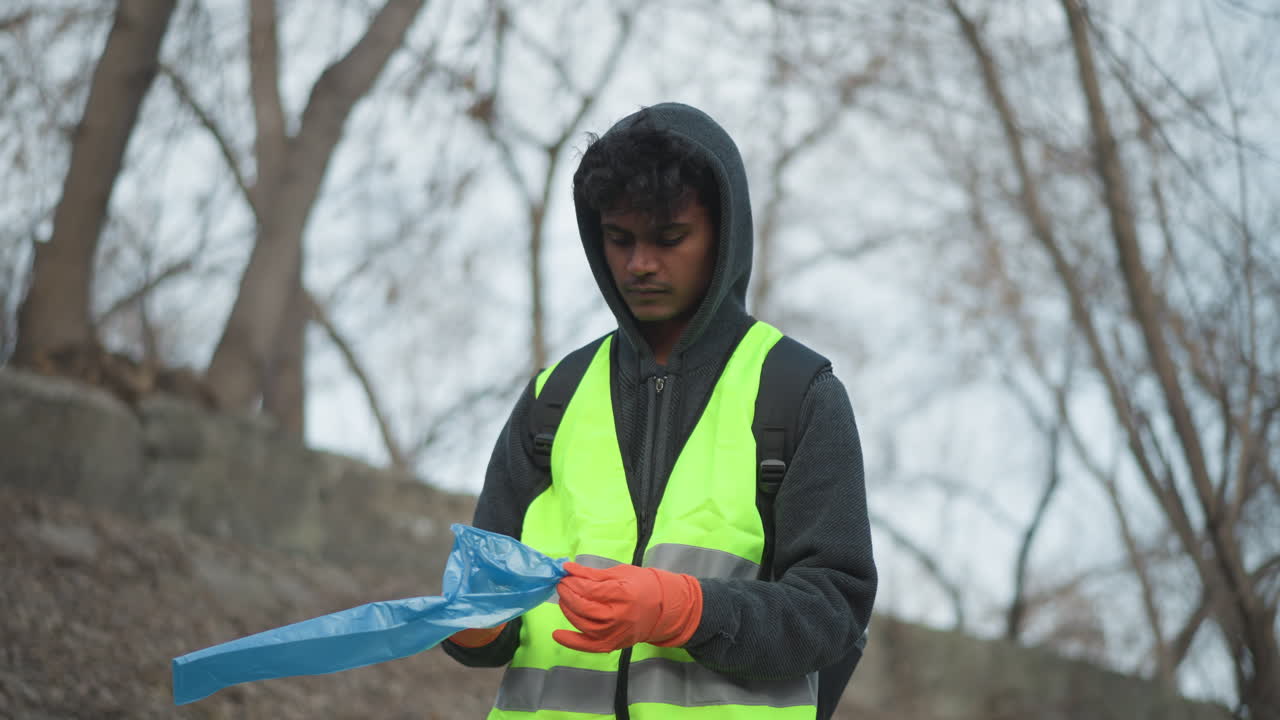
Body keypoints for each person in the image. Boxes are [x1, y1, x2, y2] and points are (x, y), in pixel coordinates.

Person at [444, 102, 876, 720]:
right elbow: (489, 618)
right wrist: (471, 628)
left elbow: (835, 610)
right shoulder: (553, 397)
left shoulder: (798, 393)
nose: (640, 263)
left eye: (669, 238)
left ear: (723, 235)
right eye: (619, 239)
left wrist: (687, 610)